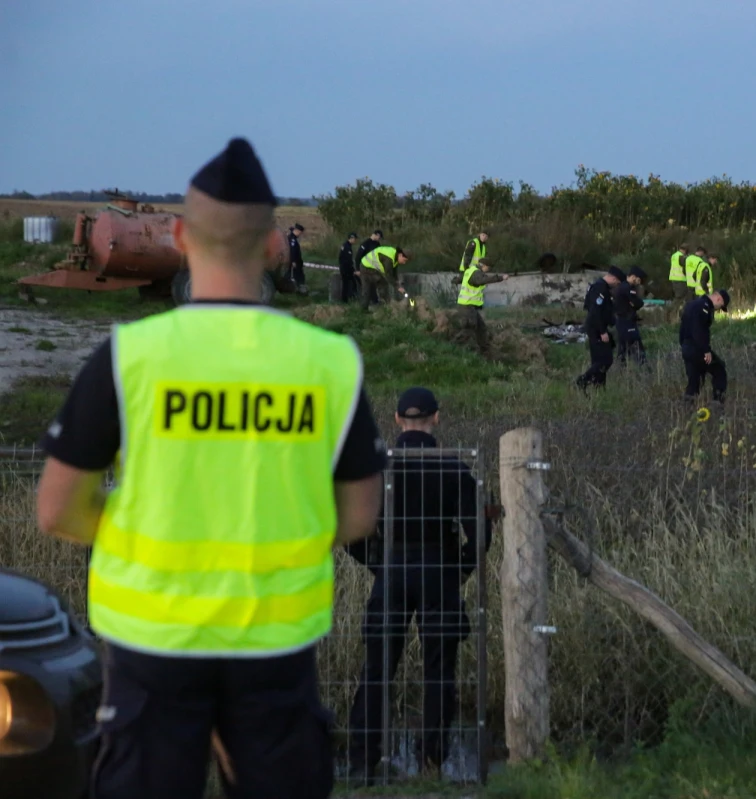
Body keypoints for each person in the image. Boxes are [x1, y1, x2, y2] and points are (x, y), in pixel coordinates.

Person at [33, 137, 386, 799]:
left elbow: (58, 508)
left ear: (177, 236)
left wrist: (144, 537)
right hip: (275, 645)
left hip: (152, 641)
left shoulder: (131, 355)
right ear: (275, 246)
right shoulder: (329, 362)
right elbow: (359, 514)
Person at [345, 387, 494, 784]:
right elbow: (480, 531)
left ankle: (362, 763)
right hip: (437, 570)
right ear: (436, 418)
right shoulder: (453, 468)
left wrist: (377, 564)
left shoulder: (379, 469)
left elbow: (350, 529)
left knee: (377, 669)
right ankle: (432, 764)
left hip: (391, 570)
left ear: (396, 420)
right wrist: (458, 570)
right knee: (439, 672)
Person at [575, 266, 623, 390]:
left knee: (598, 360)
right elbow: (595, 311)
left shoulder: (601, 287)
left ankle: (599, 387)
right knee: (606, 360)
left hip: (597, 327)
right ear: (613, 278)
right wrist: (602, 331)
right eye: (617, 282)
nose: (616, 285)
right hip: (596, 328)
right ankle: (582, 380)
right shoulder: (600, 288)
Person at [679, 288, 730, 403]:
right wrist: (706, 350)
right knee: (719, 370)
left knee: (695, 379)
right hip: (697, 348)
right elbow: (699, 331)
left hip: (686, 347)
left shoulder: (692, 304)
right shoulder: (704, 308)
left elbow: (683, 328)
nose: (718, 310)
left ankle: (688, 407)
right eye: (720, 306)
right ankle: (718, 402)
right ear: (718, 299)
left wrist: (683, 345)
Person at [455, 258, 508, 355]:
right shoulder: (476, 273)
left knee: (481, 328)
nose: (488, 270)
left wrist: (455, 280)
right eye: (488, 268)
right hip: (467, 306)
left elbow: (460, 279)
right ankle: (454, 348)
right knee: (469, 329)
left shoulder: (470, 270)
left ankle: (485, 351)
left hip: (468, 306)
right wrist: (500, 278)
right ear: (484, 266)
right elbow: (482, 280)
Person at [614, 265, 647, 366]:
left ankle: (621, 370)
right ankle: (643, 369)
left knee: (623, 348)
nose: (639, 282)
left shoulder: (622, 286)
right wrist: (637, 303)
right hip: (627, 321)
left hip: (622, 321)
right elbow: (637, 303)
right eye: (638, 279)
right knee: (636, 346)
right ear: (633, 276)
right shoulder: (628, 288)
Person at [359, 245, 409, 310]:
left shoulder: (395, 257)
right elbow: (388, 275)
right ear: (400, 255)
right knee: (368, 288)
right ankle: (364, 310)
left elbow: (393, 272)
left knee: (381, 283)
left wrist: (397, 281)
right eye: (404, 260)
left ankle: (385, 302)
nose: (404, 263)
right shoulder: (388, 259)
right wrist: (398, 287)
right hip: (366, 266)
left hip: (372, 267)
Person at [338, 232, 359, 303]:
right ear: (352, 238)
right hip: (346, 269)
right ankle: (345, 300)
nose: (355, 241)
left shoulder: (347, 246)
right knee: (346, 285)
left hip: (346, 268)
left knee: (351, 283)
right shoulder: (347, 247)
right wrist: (352, 270)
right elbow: (347, 260)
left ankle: (350, 298)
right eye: (355, 239)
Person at [288, 223, 307, 294]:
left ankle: (299, 290)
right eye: (300, 233)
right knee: (297, 276)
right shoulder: (292, 239)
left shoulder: (293, 238)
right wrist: (293, 261)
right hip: (294, 262)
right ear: (297, 231)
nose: (300, 234)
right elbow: (292, 251)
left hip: (297, 262)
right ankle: (299, 290)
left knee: (298, 276)